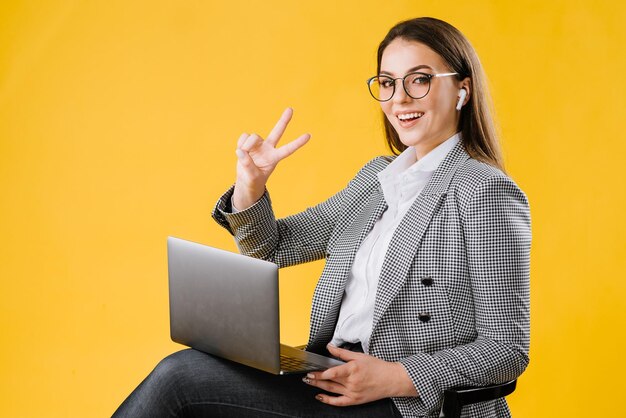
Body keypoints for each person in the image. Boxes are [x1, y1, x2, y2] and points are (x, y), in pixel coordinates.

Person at [113, 17, 531, 418]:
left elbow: (507, 347)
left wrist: (395, 377)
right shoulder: (376, 179)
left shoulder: (484, 190)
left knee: (180, 380)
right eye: (387, 83)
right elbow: (273, 247)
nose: (399, 99)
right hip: (327, 375)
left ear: (463, 89)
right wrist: (251, 184)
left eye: (419, 80)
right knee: (185, 367)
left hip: (407, 404)